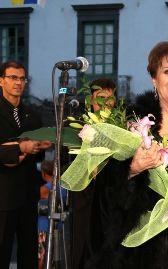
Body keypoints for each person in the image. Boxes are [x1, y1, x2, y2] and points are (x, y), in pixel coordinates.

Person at [86, 41, 168, 269]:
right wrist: (132, 169)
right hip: (130, 246)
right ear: (154, 79)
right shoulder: (128, 122)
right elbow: (102, 191)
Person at [0, 60, 52, 268]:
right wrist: (18, 149)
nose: (18, 83)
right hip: (2, 195)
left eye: (22, 78)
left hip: (27, 193)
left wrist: (40, 148)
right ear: (0, 81)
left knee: (29, 254)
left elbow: (37, 159)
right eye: (13, 78)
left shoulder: (32, 115)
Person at [69, 78, 116, 269]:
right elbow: (68, 166)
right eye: (100, 97)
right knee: (82, 252)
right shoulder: (78, 128)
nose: (105, 102)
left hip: (112, 202)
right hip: (85, 202)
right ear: (90, 101)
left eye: (109, 97)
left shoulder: (124, 127)